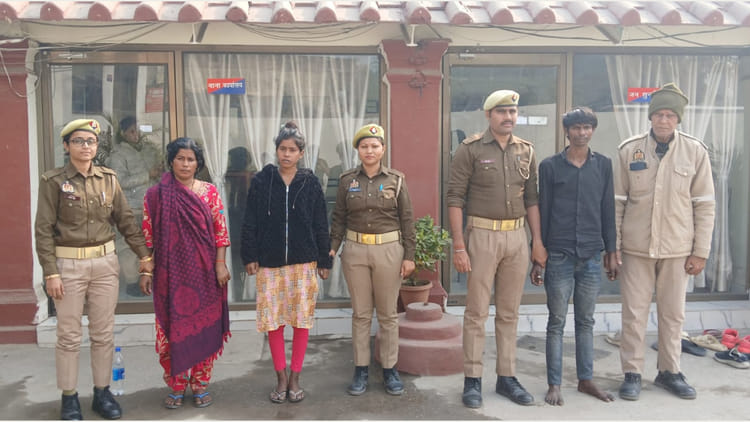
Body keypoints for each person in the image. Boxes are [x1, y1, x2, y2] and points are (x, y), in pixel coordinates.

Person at [35, 118, 153, 420]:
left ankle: (102, 393)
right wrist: (50, 272)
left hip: (104, 264)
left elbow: (125, 221)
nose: (85, 146)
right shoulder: (53, 181)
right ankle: (69, 397)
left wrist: (144, 255)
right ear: (66, 146)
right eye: (78, 141)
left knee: (103, 333)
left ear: (96, 146)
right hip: (68, 265)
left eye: (90, 141)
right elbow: (43, 230)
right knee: (68, 335)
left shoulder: (108, 179)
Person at [614, 83, 715, 401]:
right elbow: (617, 203)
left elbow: (705, 204)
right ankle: (632, 372)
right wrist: (614, 247)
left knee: (673, 314)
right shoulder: (629, 150)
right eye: (659, 114)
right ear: (650, 116)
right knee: (634, 314)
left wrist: (700, 252)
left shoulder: (695, 152)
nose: (664, 120)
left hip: (677, 249)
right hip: (636, 248)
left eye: (670, 115)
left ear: (678, 119)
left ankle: (669, 371)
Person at [447, 90, 546, 408]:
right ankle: (472, 379)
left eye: (513, 111)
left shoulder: (526, 150)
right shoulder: (470, 149)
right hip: (482, 236)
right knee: (476, 311)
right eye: (502, 111)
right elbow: (454, 197)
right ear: (488, 114)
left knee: (509, 312)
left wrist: (537, 241)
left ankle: (507, 377)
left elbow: (532, 199)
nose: (508, 117)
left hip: (516, 236)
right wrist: (459, 246)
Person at [531, 107, 617, 406]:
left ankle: (586, 380)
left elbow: (607, 209)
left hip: (591, 254)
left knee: (586, 321)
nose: (582, 132)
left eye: (587, 127)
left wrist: (611, 250)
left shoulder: (603, 165)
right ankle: (554, 383)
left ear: (593, 130)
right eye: (577, 127)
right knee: (556, 321)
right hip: (559, 254)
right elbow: (542, 210)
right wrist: (537, 254)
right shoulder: (550, 166)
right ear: (566, 131)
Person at [241, 121, 332, 404]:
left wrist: (324, 259)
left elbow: (320, 222)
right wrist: (249, 255)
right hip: (269, 263)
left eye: (292, 150)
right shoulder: (262, 181)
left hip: (303, 263)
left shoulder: (310, 183)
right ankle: (280, 377)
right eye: (283, 149)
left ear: (301, 153)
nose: (287, 154)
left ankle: (295, 377)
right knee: (274, 322)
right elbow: (250, 220)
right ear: (276, 150)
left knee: (301, 322)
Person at [139, 137, 231, 409]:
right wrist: (146, 270)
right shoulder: (155, 195)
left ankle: (200, 384)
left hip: (204, 273)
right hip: (169, 275)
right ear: (171, 161)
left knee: (204, 328)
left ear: (198, 163)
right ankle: (177, 385)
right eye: (180, 158)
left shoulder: (209, 192)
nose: (185, 164)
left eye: (191, 159)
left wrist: (220, 263)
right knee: (171, 330)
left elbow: (220, 231)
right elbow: (148, 236)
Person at [329, 123, 416, 397]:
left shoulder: (396, 180)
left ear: (383, 149)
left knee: (388, 314)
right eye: (364, 146)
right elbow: (339, 217)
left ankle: (390, 369)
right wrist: (332, 247)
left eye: (374, 146)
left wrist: (410, 256)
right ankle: (361, 369)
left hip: (389, 251)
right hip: (355, 250)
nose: (369, 150)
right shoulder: (347, 180)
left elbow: (407, 219)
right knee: (361, 314)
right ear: (358, 150)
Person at [105, 116, 162, 297]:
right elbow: (118, 181)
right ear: (123, 133)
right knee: (127, 246)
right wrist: (147, 175)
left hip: (150, 206)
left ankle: (147, 277)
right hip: (130, 207)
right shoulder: (118, 155)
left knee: (149, 244)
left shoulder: (147, 151)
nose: (135, 134)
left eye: (137, 131)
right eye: (131, 131)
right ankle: (132, 281)